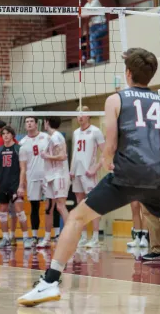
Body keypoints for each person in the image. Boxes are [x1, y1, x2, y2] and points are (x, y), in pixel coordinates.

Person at [18, 47, 160, 307]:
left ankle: (50, 282)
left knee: (77, 217)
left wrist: (109, 162)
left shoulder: (117, 99)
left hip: (128, 173)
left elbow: (110, 145)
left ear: (128, 73)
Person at [70, 106, 105, 248]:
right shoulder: (75, 132)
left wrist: (95, 168)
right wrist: (72, 170)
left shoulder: (96, 131)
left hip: (88, 174)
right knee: (80, 205)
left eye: (83, 113)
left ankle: (95, 238)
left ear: (89, 115)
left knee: (93, 204)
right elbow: (75, 153)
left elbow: (106, 152)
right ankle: (83, 237)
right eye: (78, 114)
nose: (80, 116)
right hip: (76, 173)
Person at [0, 126, 30, 249]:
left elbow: (23, 169)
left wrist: (21, 186)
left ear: (12, 135)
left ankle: (26, 238)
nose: (5, 136)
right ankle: (5, 238)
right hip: (3, 184)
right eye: (3, 134)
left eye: (8, 133)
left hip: (15, 185)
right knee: (2, 212)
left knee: (20, 212)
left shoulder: (19, 149)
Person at [18, 116, 51, 248]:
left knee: (50, 206)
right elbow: (23, 166)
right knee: (34, 207)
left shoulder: (46, 137)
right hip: (32, 177)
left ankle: (50, 236)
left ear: (37, 124)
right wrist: (22, 182)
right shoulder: (22, 143)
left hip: (47, 176)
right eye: (27, 122)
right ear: (25, 126)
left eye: (31, 121)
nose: (29, 123)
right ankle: (35, 236)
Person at [40, 116, 71, 240]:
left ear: (47, 122)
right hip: (51, 176)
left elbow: (63, 156)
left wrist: (46, 156)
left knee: (60, 206)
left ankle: (71, 235)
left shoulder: (56, 136)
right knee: (49, 207)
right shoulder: (52, 137)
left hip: (60, 175)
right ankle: (47, 238)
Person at [82, 0, 108, 65]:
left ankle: (93, 57)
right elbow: (79, 14)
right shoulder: (86, 4)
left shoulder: (95, 1)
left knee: (93, 37)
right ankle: (99, 60)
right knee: (97, 42)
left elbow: (87, 13)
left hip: (101, 25)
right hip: (93, 27)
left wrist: (85, 15)